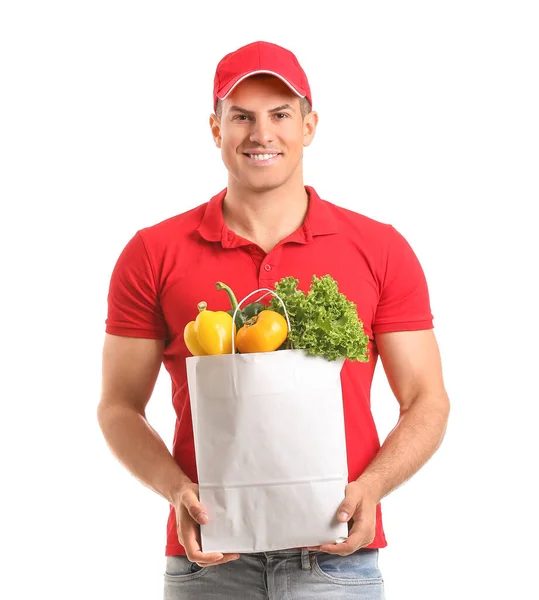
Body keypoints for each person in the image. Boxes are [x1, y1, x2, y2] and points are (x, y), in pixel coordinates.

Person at [98, 40, 450, 600]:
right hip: (208, 561)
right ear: (216, 130)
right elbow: (118, 406)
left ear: (309, 126)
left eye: (280, 114)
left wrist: (374, 487)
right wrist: (175, 490)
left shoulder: (379, 249)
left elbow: (427, 399)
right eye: (241, 116)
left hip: (339, 559)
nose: (262, 134)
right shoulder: (153, 252)